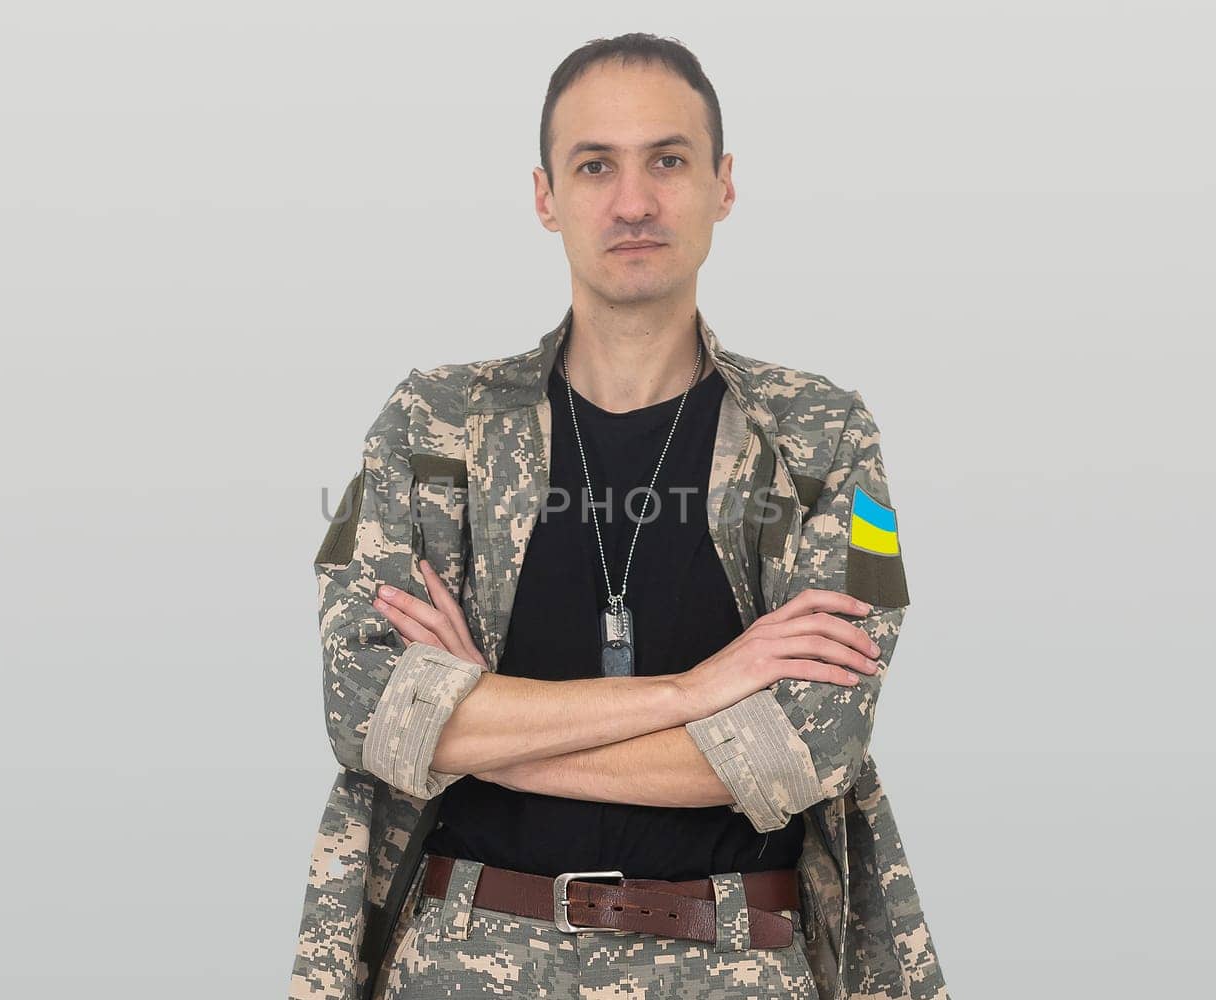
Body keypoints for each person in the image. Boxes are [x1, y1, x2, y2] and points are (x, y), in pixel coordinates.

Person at [289, 33, 948, 1000]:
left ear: (724, 185)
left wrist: (478, 720)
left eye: (668, 161)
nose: (633, 201)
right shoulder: (434, 431)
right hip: (464, 963)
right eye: (595, 165)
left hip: (733, 965)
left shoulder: (826, 441)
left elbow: (805, 747)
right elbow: (370, 715)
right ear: (546, 195)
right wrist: (696, 693)